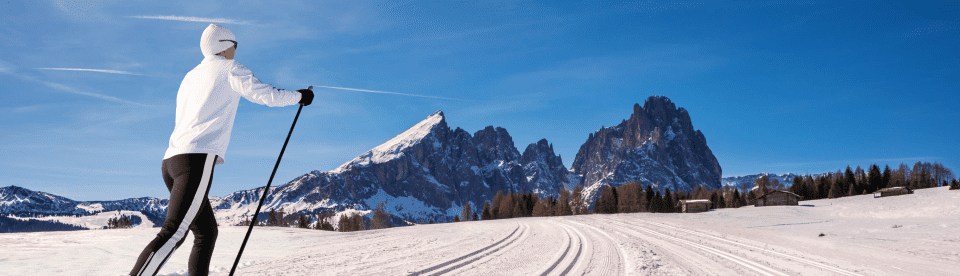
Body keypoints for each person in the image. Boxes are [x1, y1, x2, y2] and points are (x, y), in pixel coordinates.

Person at [130, 24, 313, 276]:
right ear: (225, 45)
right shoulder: (229, 69)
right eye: (235, 46)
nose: (236, 51)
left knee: (206, 232)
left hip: (171, 161)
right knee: (174, 232)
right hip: (195, 159)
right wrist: (300, 96)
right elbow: (267, 95)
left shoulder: (190, 76)